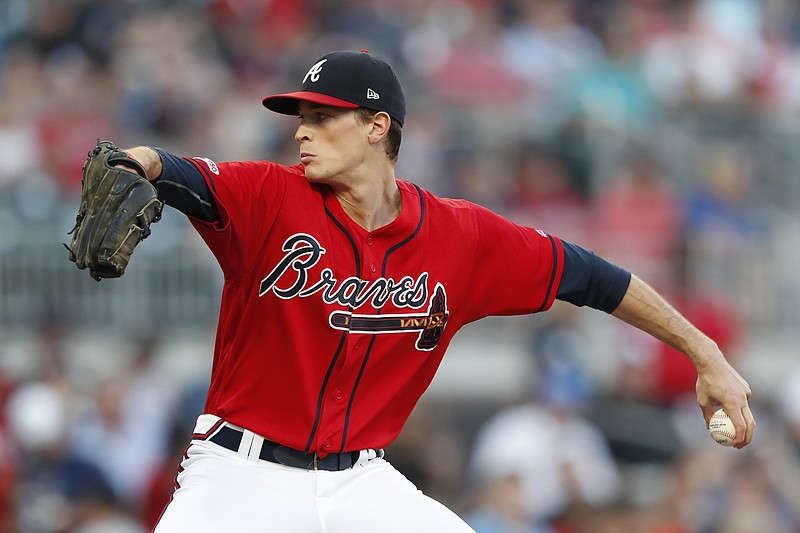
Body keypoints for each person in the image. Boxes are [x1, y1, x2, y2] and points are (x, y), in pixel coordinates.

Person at [110, 50, 754, 532]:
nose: (301, 131)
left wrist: (705, 353)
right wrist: (138, 161)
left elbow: (593, 278)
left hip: (360, 483)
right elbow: (178, 171)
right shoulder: (268, 196)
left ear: (375, 126)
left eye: (321, 117)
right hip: (239, 476)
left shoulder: (460, 237)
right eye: (298, 117)